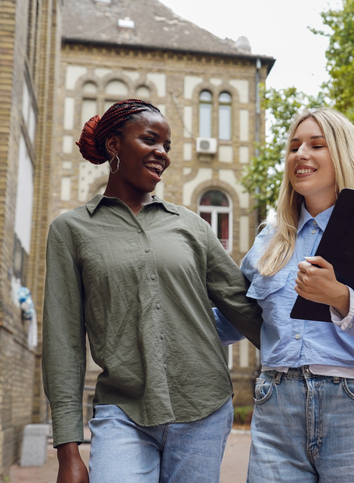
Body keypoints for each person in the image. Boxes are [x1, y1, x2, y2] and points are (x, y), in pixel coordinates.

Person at [42, 99, 262, 483]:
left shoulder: (192, 227)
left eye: (167, 146)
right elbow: (64, 342)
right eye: (150, 140)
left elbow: (245, 308)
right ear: (114, 145)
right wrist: (68, 450)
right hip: (122, 410)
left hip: (203, 408)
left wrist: (339, 345)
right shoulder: (71, 231)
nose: (162, 153)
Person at [232, 108, 354, 482]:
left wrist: (341, 298)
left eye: (317, 145)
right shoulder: (268, 241)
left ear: (342, 155)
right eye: (294, 146)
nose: (301, 153)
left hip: (353, 407)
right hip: (276, 406)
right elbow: (230, 320)